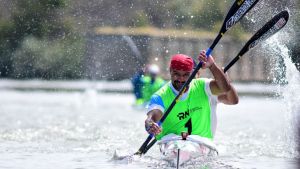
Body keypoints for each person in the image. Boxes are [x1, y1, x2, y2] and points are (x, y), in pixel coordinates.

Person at [144, 51, 238, 141]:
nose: (181, 79)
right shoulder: (160, 96)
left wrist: (212, 66)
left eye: (186, 75)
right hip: (172, 142)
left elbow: (225, 89)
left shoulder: (203, 86)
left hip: (201, 141)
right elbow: (152, 117)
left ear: (192, 74)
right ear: (170, 71)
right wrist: (150, 124)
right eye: (176, 74)